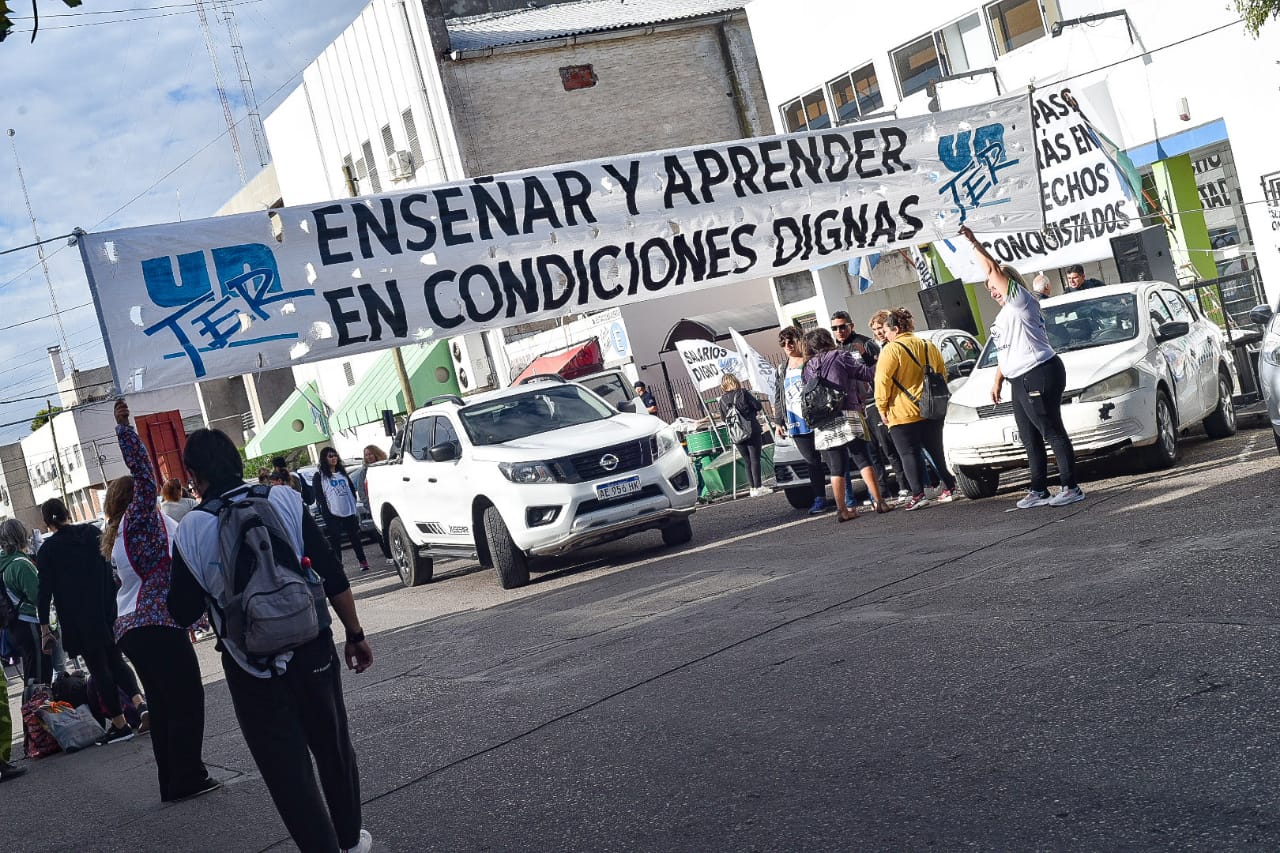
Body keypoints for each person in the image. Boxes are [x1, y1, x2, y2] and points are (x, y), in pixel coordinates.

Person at [168, 427, 374, 853]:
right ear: (237, 462)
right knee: (333, 746)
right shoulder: (282, 498)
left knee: (286, 768)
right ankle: (351, 842)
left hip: (250, 664)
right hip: (311, 643)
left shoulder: (189, 529)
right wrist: (354, 634)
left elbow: (183, 611)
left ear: (193, 474)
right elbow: (332, 574)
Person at [103, 399, 215, 802]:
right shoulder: (141, 519)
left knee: (164, 705)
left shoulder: (116, 534)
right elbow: (144, 472)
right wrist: (124, 428)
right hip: (157, 622)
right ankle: (189, 775)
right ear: (135, 497)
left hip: (133, 626)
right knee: (186, 698)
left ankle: (172, 779)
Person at [962, 226, 1084, 508]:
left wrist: (973, 243)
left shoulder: (1021, 302)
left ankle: (1071, 486)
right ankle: (1039, 489)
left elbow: (992, 269)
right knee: (1029, 437)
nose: (991, 291)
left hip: (1040, 370)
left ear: (1008, 283)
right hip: (1018, 378)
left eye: (993, 287)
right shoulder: (1005, 314)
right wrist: (997, 380)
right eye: (989, 289)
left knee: (1051, 429)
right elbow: (1005, 350)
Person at [36, 497, 146, 744]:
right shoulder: (93, 533)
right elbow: (109, 569)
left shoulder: (48, 551)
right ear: (67, 513)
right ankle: (140, 705)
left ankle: (120, 724)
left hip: (78, 619)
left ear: (47, 522)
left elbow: (44, 592)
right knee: (116, 660)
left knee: (99, 669)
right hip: (107, 609)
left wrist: (45, 627)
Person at [802, 328, 894, 522]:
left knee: (836, 466)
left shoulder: (807, 366)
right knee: (862, 458)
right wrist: (873, 359)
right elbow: (866, 374)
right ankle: (880, 502)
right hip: (847, 411)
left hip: (823, 420)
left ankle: (842, 510)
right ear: (827, 339)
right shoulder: (840, 355)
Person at [873, 307, 958, 512]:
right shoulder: (927, 345)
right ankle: (949, 486)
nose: (885, 334)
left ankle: (918, 494)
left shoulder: (891, 349)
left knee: (908, 453)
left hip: (902, 411)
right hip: (930, 407)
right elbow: (941, 373)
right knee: (936, 449)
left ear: (895, 328)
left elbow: (882, 381)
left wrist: (881, 407)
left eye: (886, 330)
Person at [772, 326, 830, 514]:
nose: (787, 346)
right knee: (811, 461)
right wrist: (778, 421)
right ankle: (820, 497)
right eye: (783, 343)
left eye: (791, 341)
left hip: (816, 417)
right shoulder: (782, 368)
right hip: (796, 421)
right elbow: (779, 395)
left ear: (799, 340)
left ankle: (846, 494)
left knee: (831, 456)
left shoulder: (810, 361)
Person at [1, 518, 51, 691]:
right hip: (30, 622)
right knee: (39, 679)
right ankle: (36, 716)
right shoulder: (20, 565)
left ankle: (32, 715)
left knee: (32, 675)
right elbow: (39, 597)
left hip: (15, 625)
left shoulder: (4, 563)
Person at [312, 447, 371, 572]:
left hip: (347, 509)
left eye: (335, 456)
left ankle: (363, 561)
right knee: (335, 539)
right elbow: (318, 494)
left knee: (354, 536)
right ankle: (338, 565)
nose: (333, 458)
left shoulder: (342, 473)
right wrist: (326, 508)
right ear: (324, 459)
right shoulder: (319, 476)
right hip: (331, 511)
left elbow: (350, 489)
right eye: (330, 456)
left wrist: (353, 502)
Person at [718, 374, 767, 497]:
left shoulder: (722, 400)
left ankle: (752, 488)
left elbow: (724, 418)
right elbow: (758, 406)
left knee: (747, 461)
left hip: (736, 433)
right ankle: (759, 487)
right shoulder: (743, 393)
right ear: (735, 381)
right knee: (755, 459)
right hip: (751, 429)